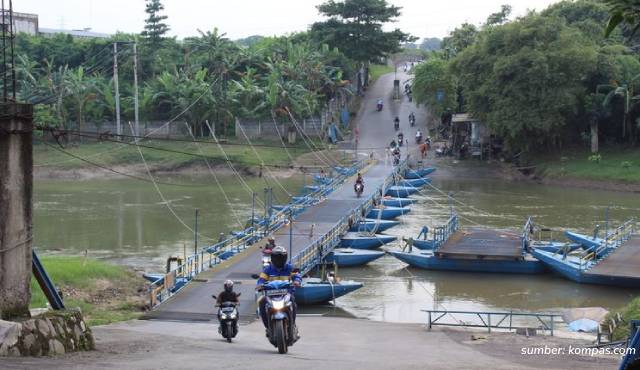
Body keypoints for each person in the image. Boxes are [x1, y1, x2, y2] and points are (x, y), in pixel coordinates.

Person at [256, 246, 302, 333]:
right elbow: (261, 279)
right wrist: (259, 285)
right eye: (277, 258)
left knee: (293, 302)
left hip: (286, 294)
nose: (279, 259)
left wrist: (297, 281)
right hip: (271, 295)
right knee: (262, 302)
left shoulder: (290, 268)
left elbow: (297, 275)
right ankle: (268, 327)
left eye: (281, 257)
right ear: (273, 258)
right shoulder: (268, 269)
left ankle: (292, 325)